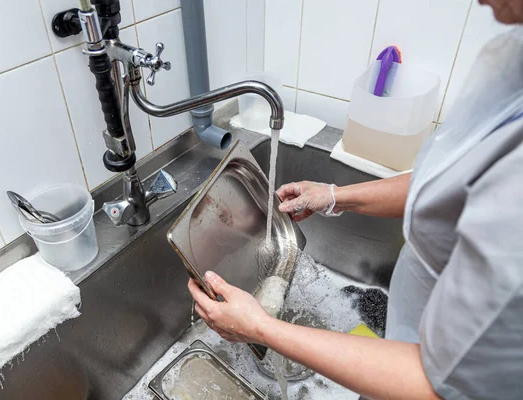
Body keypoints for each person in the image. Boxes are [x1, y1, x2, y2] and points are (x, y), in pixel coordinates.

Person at [188, 1, 523, 399]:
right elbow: (454, 180)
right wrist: (335, 196)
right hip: (406, 342)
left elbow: (437, 388)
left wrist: (260, 328)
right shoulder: (511, 54)